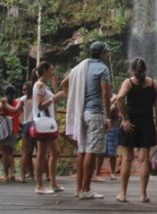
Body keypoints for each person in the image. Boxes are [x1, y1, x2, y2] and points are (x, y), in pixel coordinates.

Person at [62, 41, 112, 199]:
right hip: (95, 113)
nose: (108, 54)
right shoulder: (103, 68)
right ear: (102, 53)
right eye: (107, 52)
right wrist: (108, 116)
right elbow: (105, 93)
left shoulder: (79, 68)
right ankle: (86, 189)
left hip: (81, 113)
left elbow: (64, 83)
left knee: (82, 150)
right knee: (91, 150)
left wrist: (71, 99)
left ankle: (79, 189)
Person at [116, 57, 157, 203]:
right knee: (144, 160)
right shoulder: (154, 84)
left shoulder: (128, 83)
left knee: (127, 159)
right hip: (147, 124)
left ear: (132, 70)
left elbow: (119, 98)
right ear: (145, 70)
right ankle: (143, 194)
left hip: (131, 124)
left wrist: (124, 118)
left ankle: (123, 194)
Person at [31, 61, 65, 194]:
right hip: (42, 122)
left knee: (55, 152)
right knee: (41, 153)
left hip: (49, 122)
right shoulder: (39, 85)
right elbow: (39, 106)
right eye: (51, 69)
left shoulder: (45, 86)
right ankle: (39, 185)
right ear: (45, 70)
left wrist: (55, 86)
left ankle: (53, 183)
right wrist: (53, 98)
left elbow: (56, 101)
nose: (53, 71)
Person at [4, 81, 34, 182]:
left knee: (24, 152)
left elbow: (15, 110)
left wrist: (4, 104)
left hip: (27, 124)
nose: (23, 91)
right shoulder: (38, 97)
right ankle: (44, 176)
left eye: (24, 89)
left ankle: (23, 177)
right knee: (41, 151)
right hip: (37, 124)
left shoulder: (23, 99)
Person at [93, 93, 120, 181]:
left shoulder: (115, 97)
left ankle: (112, 172)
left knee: (112, 152)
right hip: (101, 126)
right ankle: (97, 173)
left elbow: (113, 110)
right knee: (100, 152)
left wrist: (110, 105)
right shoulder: (99, 97)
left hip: (113, 127)